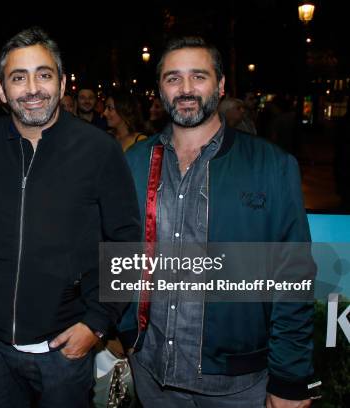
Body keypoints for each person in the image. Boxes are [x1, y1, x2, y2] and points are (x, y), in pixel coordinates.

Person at [125, 37, 315, 408]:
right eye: (172, 78)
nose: (185, 89)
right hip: (151, 374)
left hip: (239, 384)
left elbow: (294, 276)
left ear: (221, 85)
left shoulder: (271, 165)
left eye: (199, 76)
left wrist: (290, 377)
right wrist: (124, 330)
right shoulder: (134, 161)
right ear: (160, 89)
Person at [0, 27, 141, 408]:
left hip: (65, 350)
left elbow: (128, 244)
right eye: (19, 77)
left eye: (43, 75)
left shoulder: (99, 150)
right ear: (1, 90)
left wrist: (97, 322)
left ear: (62, 82)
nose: (32, 88)